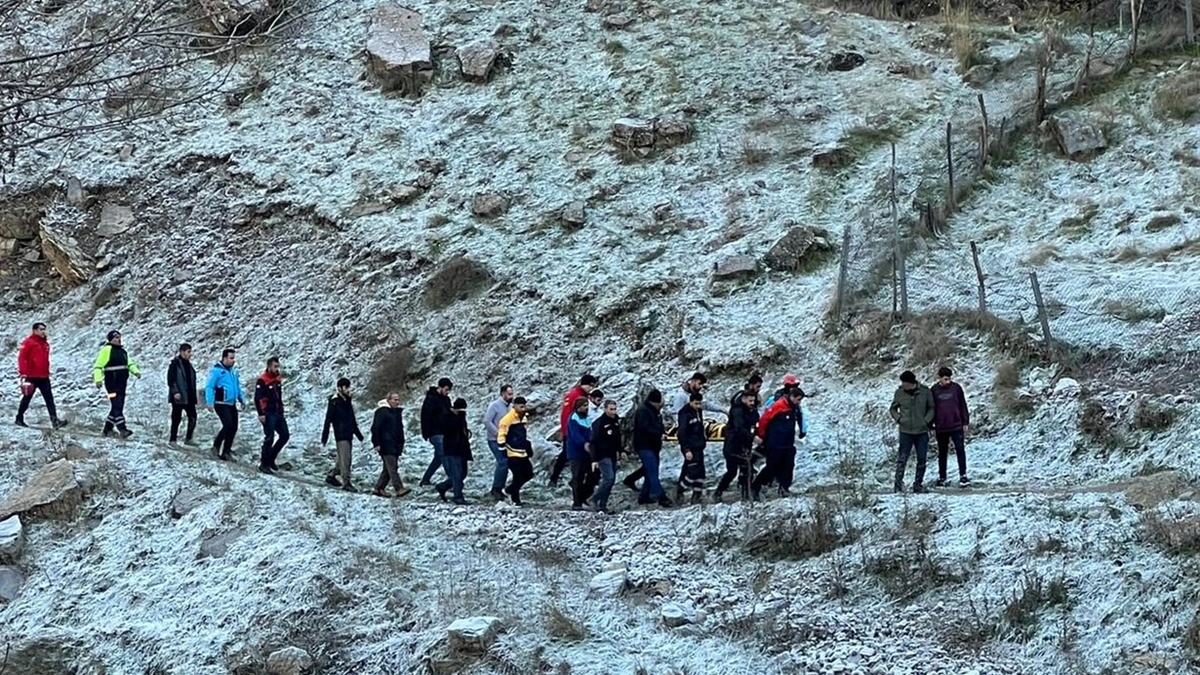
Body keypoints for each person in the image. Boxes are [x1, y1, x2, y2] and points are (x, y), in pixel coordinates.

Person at [750, 387, 805, 501]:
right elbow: (764, 420)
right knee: (772, 466)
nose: (799, 402)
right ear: (792, 397)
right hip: (775, 443)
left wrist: (802, 430)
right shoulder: (778, 405)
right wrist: (762, 436)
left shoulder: (794, 408)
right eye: (798, 399)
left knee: (789, 466)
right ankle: (756, 486)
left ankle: (784, 488)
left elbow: (800, 418)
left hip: (788, 442)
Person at [890, 370, 935, 494]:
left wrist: (926, 421)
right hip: (905, 431)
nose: (903, 385)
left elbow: (931, 407)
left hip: (921, 431)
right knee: (902, 458)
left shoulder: (925, 392)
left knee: (922, 459)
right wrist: (899, 419)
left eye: (905, 382)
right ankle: (898, 485)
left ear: (911, 382)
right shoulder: (899, 393)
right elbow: (893, 409)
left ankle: (918, 485)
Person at [550, 374, 599, 486]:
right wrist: (566, 432)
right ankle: (555, 477)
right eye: (590, 386)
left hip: (580, 430)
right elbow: (565, 415)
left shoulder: (582, 395)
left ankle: (575, 479)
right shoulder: (574, 395)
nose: (591, 389)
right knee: (566, 455)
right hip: (571, 432)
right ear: (583, 384)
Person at [15, 322, 65, 429]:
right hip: (32, 376)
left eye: (44, 329)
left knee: (49, 399)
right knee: (27, 398)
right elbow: (22, 358)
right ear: (35, 330)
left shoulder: (44, 343)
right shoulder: (29, 342)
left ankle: (54, 421)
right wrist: (23, 372)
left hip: (43, 376)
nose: (43, 331)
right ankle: (19, 418)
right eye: (41, 329)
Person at [92, 330, 141, 438]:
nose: (118, 339)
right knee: (116, 404)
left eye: (119, 337)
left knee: (118, 406)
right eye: (116, 337)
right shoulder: (106, 350)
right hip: (111, 384)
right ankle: (122, 429)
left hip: (122, 384)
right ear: (110, 339)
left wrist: (136, 371)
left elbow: (130, 363)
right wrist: (98, 379)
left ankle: (107, 429)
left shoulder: (123, 352)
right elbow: (98, 366)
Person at [716, 389, 760, 501]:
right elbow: (739, 428)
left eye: (753, 401)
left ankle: (746, 494)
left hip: (745, 445)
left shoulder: (752, 411)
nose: (752, 403)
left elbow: (755, 423)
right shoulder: (737, 411)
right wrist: (752, 437)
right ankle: (719, 491)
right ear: (743, 399)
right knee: (732, 471)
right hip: (733, 445)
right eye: (750, 401)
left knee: (747, 470)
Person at [931, 367, 971, 488]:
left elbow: (962, 404)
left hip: (956, 425)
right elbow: (931, 408)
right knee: (942, 452)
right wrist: (931, 425)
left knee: (960, 450)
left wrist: (965, 422)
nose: (948, 381)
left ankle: (963, 476)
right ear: (940, 379)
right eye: (945, 379)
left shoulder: (956, 388)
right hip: (941, 427)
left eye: (949, 379)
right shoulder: (933, 390)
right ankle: (942, 477)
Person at [323, 377, 364, 491]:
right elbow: (328, 419)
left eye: (348, 387)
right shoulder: (334, 402)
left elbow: (352, 418)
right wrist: (325, 435)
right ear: (340, 388)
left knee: (342, 459)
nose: (348, 389)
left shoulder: (347, 401)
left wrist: (358, 434)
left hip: (348, 433)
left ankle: (331, 475)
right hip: (340, 434)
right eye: (346, 387)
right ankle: (346, 483)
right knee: (346, 460)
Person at [633, 389, 671, 507]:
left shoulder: (653, 411)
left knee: (650, 471)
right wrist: (659, 434)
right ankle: (661, 497)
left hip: (653, 445)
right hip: (645, 445)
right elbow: (645, 429)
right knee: (653, 472)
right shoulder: (644, 411)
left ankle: (644, 496)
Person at [204, 348, 244, 461]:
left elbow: (237, 387)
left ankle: (226, 451)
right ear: (224, 358)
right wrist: (209, 401)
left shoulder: (233, 372)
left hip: (231, 403)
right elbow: (210, 387)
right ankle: (215, 447)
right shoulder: (216, 371)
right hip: (220, 403)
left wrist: (241, 399)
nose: (233, 360)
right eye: (231, 358)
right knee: (228, 425)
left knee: (234, 427)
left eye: (234, 358)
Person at [371, 391, 411, 498]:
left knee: (387, 469)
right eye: (395, 400)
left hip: (394, 444)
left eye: (398, 399)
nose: (397, 402)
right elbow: (375, 428)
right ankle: (399, 488)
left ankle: (379, 488)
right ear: (388, 400)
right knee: (392, 467)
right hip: (386, 444)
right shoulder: (382, 412)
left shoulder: (395, 413)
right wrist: (376, 443)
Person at [254, 357, 289, 474]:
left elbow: (279, 395)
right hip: (268, 412)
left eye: (278, 366)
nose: (277, 369)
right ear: (269, 366)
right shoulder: (263, 380)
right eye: (275, 366)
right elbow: (257, 398)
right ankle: (264, 463)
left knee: (285, 435)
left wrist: (281, 409)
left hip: (278, 411)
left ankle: (271, 458)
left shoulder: (277, 378)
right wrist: (261, 413)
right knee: (269, 437)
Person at [498, 396, 533, 506]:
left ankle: (510, 490)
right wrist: (503, 448)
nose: (523, 409)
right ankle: (515, 499)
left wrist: (527, 446)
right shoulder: (507, 419)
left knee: (528, 473)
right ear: (514, 406)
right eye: (521, 407)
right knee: (517, 475)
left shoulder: (523, 417)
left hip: (522, 451)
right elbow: (502, 434)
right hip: (512, 452)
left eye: (524, 406)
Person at [436, 398, 472, 505]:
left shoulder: (460, 417)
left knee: (463, 473)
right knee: (457, 473)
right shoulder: (447, 417)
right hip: (452, 448)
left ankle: (443, 486)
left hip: (462, 448)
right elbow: (449, 429)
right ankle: (458, 496)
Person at [419, 377, 454, 487]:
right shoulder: (431, 399)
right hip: (434, 433)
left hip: (445, 432)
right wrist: (426, 433)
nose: (447, 392)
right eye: (446, 389)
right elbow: (425, 416)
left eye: (449, 390)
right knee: (444, 454)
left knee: (438, 457)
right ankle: (453, 479)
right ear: (440, 387)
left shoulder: (447, 400)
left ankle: (425, 479)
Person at [588, 399, 621, 513]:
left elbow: (617, 438)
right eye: (611, 409)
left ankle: (603, 505)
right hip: (602, 454)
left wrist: (620, 451)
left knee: (611, 481)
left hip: (612, 454)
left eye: (615, 409)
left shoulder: (616, 421)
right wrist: (594, 459)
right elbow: (593, 442)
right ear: (605, 409)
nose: (613, 412)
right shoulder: (599, 423)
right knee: (609, 477)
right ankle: (594, 499)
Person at [483, 384, 514, 502]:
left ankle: (500, 488)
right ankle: (496, 488)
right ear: (502, 394)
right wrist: (497, 433)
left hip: (507, 440)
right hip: (494, 440)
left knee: (505, 463)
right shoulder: (494, 405)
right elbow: (487, 421)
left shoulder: (510, 406)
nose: (511, 396)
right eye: (509, 394)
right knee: (503, 462)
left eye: (512, 394)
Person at [676, 392, 708, 504]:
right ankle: (680, 489)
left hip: (699, 445)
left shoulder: (698, 411)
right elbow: (682, 433)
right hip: (690, 446)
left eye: (699, 404)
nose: (698, 406)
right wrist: (686, 449)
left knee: (700, 472)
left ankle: (697, 494)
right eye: (696, 404)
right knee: (693, 472)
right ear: (690, 402)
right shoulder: (684, 414)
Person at [566, 397, 594, 510]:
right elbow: (575, 434)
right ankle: (577, 503)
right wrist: (584, 443)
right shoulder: (573, 418)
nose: (586, 408)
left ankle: (584, 496)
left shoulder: (587, 418)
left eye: (587, 405)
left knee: (592, 476)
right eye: (584, 406)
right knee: (578, 477)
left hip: (587, 452)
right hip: (576, 452)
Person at [167, 343, 197, 445]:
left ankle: (189, 438)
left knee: (193, 417)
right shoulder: (175, 364)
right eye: (188, 352)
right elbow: (171, 380)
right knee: (176, 418)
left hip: (189, 396)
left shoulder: (189, 365)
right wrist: (175, 392)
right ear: (182, 352)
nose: (190, 354)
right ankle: (172, 439)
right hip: (179, 396)